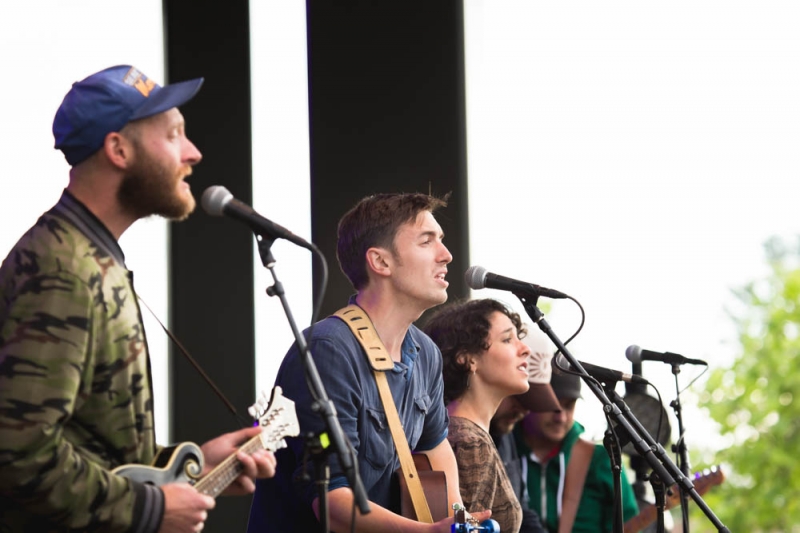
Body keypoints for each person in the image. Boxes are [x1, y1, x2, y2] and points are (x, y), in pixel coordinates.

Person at [0, 65, 276, 533]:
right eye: (173, 135)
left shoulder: (88, 256)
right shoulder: (63, 269)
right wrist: (147, 508)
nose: (193, 152)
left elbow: (92, 446)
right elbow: (20, 451)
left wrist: (190, 466)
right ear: (119, 150)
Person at [246, 193, 491, 532]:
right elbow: (332, 502)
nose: (446, 254)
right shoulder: (328, 350)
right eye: (426, 241)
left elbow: (436, 452)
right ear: (380, 262)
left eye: (441, 240)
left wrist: (460, 522)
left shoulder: (425, 352)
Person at [424, 298, 558, 533]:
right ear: (468, 358)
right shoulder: (470, 443)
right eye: (507, 339)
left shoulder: (463, 433)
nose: (525, 349)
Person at [516, 367, 639, 533]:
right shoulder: (501, 449)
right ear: (530, 399)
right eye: (552, 405)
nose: (561, 417)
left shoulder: (602, 460)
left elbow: (628, 522)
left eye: (568, 406)